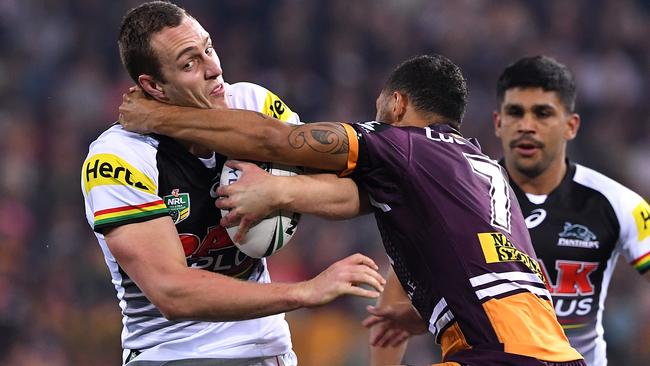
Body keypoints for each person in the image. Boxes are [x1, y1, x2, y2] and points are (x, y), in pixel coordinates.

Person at [119, 54, 586, 365]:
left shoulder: (402, 144)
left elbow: (274, 140)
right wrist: (425, 314)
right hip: (555, 351)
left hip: (495, 352)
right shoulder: (482, 169)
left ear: (397, 103)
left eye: (380, 106)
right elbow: (475, 263)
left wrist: (157, 117)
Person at [81, 2, 385, 365]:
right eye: (189, 63)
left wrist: (278, 191)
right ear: (153, 86)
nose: (213, 69)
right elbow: (172, 293)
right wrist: (304, 292)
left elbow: (356, 192)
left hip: (268, 350)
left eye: (208, 48)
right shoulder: (118, 159)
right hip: (171, 355)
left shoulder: (252, 103)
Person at [492, 55, 650, 366]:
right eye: (515, 112)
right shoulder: (463, 195)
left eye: (542, 113)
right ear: (498, 123)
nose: (526, 126)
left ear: (571, 125)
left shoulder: (619, 204)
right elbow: (399, 303)